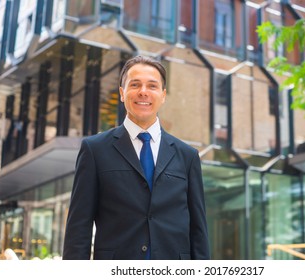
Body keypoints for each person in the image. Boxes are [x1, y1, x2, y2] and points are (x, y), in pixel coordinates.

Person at [63, 55, 210, 260]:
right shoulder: (94, 150)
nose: (143, 92)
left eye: (152, 86)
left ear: (163, 95)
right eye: (135, 84)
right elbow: (79, 228)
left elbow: (198, 229)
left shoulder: (188, 156)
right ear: (122, 93)